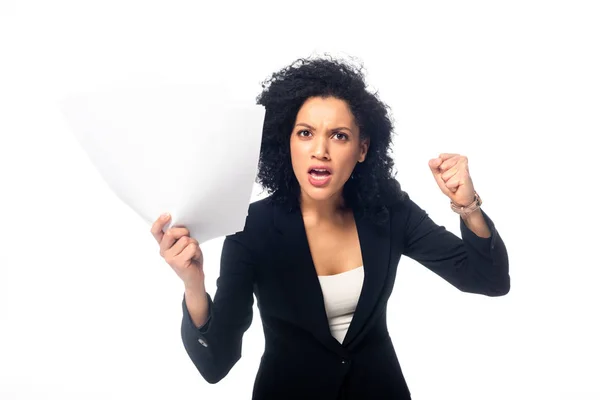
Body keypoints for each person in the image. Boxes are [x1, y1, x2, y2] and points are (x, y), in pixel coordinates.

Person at [149, 56, 510, 400]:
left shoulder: (388, 209)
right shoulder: (252, 229)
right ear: (285, 142)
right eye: (305, 133)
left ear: (363, 148)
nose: (320, 149)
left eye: (338, 135)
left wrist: (468, 206)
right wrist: (193, 284)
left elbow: (488, 279)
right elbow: (216, 364)